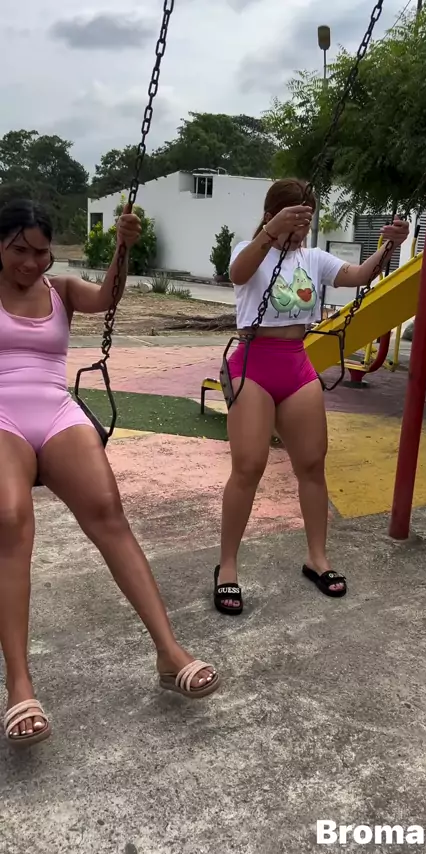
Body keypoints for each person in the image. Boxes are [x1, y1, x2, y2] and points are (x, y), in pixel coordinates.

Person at [0, 200, 220, 748]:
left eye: (41, 252)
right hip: (1, 415)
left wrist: (123, 247)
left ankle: (169, 652)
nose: (31, 263)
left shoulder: (62, 290)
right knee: (11, 519)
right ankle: (19, 682)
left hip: (54, 408)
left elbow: (107, 299)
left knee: (108, 512)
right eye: (19, 250)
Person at [213, 179, 409, 615]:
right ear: (272, 215)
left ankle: (316, 558)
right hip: (253, 362)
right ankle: (227, 567)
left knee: (312, 464)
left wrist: (388, 246)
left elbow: (358, 276)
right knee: (248, 466)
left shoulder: (312, 258)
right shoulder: (251, 249)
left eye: (306, 222)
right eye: (295, 221)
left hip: (296, 363)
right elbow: (238, 274)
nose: (301, 230)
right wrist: (272, 232)